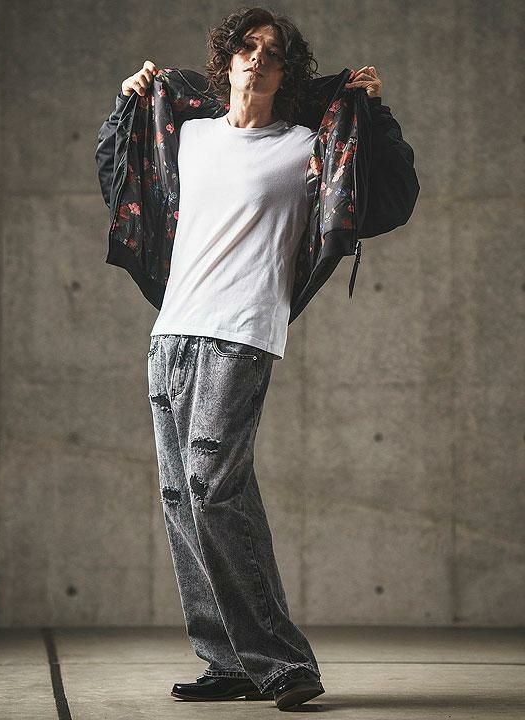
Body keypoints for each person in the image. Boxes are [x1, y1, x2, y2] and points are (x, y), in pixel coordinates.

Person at [119, 7, 388, 711]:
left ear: (286, 72)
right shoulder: (189, 135)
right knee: (183, 499)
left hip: (241, 333)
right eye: (247, 46)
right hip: (171, 334)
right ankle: (229, 660)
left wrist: (374, 114)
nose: (258, 58)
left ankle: (283, 661)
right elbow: (127, 169)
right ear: (227, 60)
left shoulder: (304, 146)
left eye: (273, 52)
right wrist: (130, 101)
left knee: (213, 489)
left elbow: (383, 196)